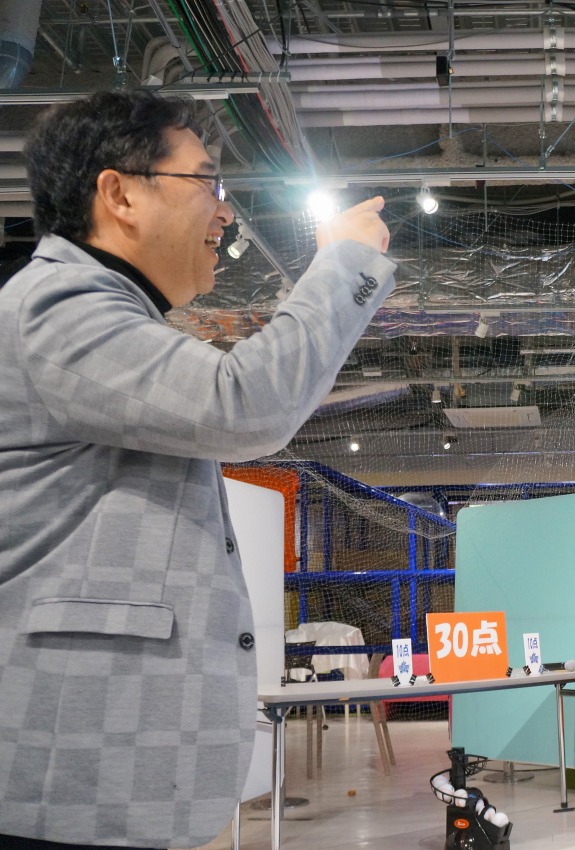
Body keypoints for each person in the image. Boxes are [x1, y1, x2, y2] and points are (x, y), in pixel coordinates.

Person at [0, 91, 395, 849]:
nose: (225, 210)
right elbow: (243, 403)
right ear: (119, 194)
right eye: (207, 182)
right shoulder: (58, 304)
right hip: (68, 787)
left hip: (96, 787)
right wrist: (344, 263)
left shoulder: (94, 311)